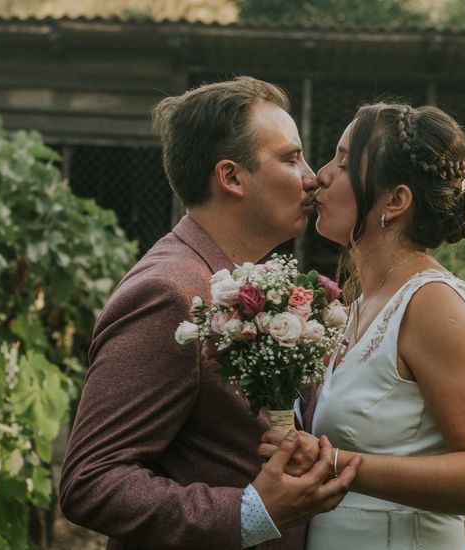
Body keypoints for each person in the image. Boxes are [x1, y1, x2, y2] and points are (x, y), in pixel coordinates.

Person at [59, 76, 360, 550]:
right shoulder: (167, 292)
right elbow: (91, 481)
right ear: (231, 177)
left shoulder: (247, 283)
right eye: (289, 157)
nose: (312, 176)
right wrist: (250, 513)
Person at [260, 102, 465, 548]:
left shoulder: (435, 304)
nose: (320, 175)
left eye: (342, 163)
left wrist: (334, 462)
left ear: (395, 201)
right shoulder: (361, 304)